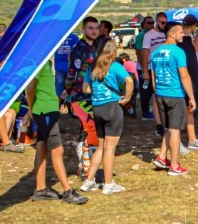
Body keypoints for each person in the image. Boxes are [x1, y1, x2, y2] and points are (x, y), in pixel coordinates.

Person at [25, 60, 87, 204]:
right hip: (44, 110)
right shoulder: (39, 62)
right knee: (57, 149)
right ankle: (67, 191)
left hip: (47, 109)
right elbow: (30, 88)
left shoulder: (46, 62)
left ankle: (40, 189)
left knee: (41, 147)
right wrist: (30, 108)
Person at [79, 37, 132, 195]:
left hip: (97, 108)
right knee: (110, 148)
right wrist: (127, 98)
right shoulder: (115, 66)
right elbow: (129, 80)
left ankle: (89, 180)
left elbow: (85, 89)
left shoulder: (92, 67)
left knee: (101, 147)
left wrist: (99, 92)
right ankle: (108, 184)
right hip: (112, 108)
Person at [150, 21, 195, 175]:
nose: (183, 34)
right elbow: (184, 75)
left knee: (169, 128)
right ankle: (174, 166)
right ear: (172, 34)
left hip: (161, 94)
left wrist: (157, 93)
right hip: (175, 94)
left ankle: (162, 157)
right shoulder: (178, 52)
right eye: (181, 32)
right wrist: (191, 97)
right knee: (175, 131)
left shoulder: (155, 52)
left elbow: (153, 77)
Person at [63, 16, 102, 175]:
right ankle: (86, 166)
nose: (94, 31)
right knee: (92, 129)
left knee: (93, 129)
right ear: (83, 30)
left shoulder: (98, 48)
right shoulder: (78, 50)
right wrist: (68, 91)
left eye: (96, 28)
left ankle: (87, 163)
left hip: (96, 95)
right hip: (80, 96)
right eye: (90, 28)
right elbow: (71, 73)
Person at [178, 15, 198, 149]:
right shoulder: (179, 40)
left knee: (190, 109)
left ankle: (192, 139)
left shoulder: (188, 38)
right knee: (181, 111)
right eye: (196, 26)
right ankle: (177, 141)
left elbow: (194, 49)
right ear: (192, 25)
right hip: (185, 78)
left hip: (193, 77)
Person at [135, 16, 155, 119]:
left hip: (150, 67)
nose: (151, 24)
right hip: (144, 68)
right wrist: (144, 69)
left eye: (152, 22)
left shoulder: (151, 34)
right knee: (145, 91)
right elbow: (139, 53)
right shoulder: (141, 35)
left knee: (151, 90)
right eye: (149, 23)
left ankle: (149, 110)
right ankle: (145, 112)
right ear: (144, 24)